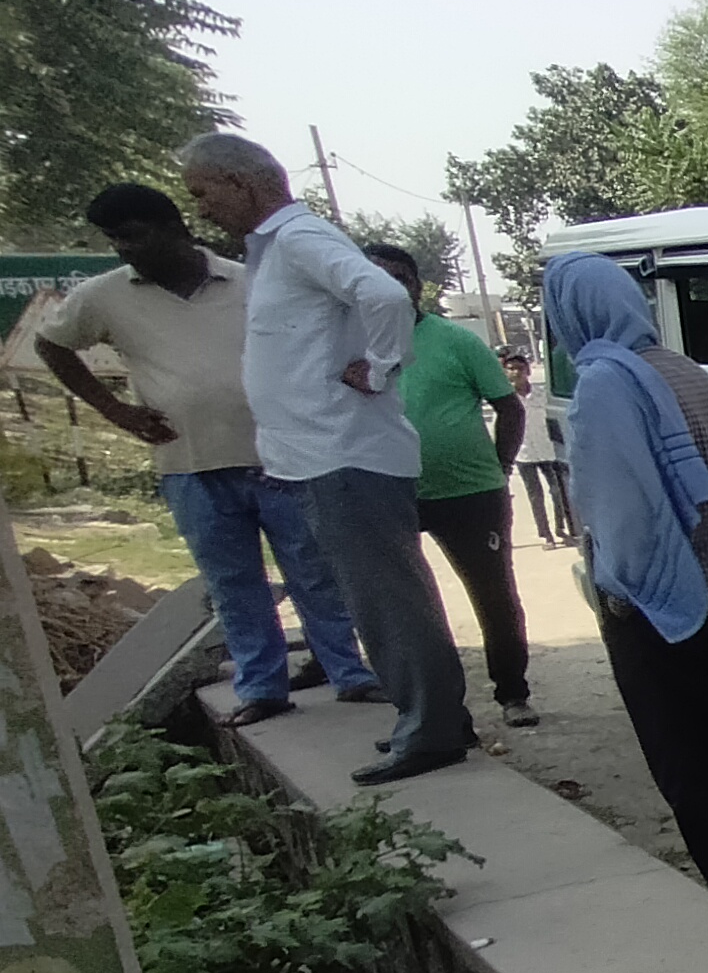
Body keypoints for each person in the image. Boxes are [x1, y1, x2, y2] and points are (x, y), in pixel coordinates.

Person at [177, 134, 473, 784]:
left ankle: (432, 730)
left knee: (387, 601)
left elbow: (386, 295)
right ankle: (431, 720)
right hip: (322, 456)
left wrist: (382, 365)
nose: (200, 208)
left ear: (240, 182)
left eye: (203, 192)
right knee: (383, 599)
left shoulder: (299, 239)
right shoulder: (278, 248)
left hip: (346, 455)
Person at [32, 184, 381, 727]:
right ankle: (263, 688)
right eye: (114, 238)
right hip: (188, 464)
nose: (123, 248)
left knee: (314, 571)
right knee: (232, 583)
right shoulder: (103, 296)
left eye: (133, 235)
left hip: (279, 457)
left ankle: (350, 674)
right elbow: (51, 344)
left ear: (174, 228)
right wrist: (115, 410)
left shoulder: (250, 282)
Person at [545, 254, 708, 937]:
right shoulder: (686, 371)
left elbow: (624, 517)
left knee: (689, 763)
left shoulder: (605, 384)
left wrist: (622, 598)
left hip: (659, 604)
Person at [365, 243, 537, 729]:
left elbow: (509, 407)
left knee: (493, 595)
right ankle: (430, 710)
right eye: (375, 277)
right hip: (389, 494)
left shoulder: (455, 340)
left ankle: (513, 692)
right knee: (404, 605)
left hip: (470, 496)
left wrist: (500, 467)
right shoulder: (348, 345)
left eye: (399, 278)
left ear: (416, 287)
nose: (389, 287)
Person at [503, 350, 576, 545]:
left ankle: (561, 529)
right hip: (524, 453)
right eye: (511, 369)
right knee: (535, 495)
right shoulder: (506, 400)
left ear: (527, 371)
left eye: (520, 368)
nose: (515, 372)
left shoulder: (541, 394)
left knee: (557, 492)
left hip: (547, 449)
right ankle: (546, 534)